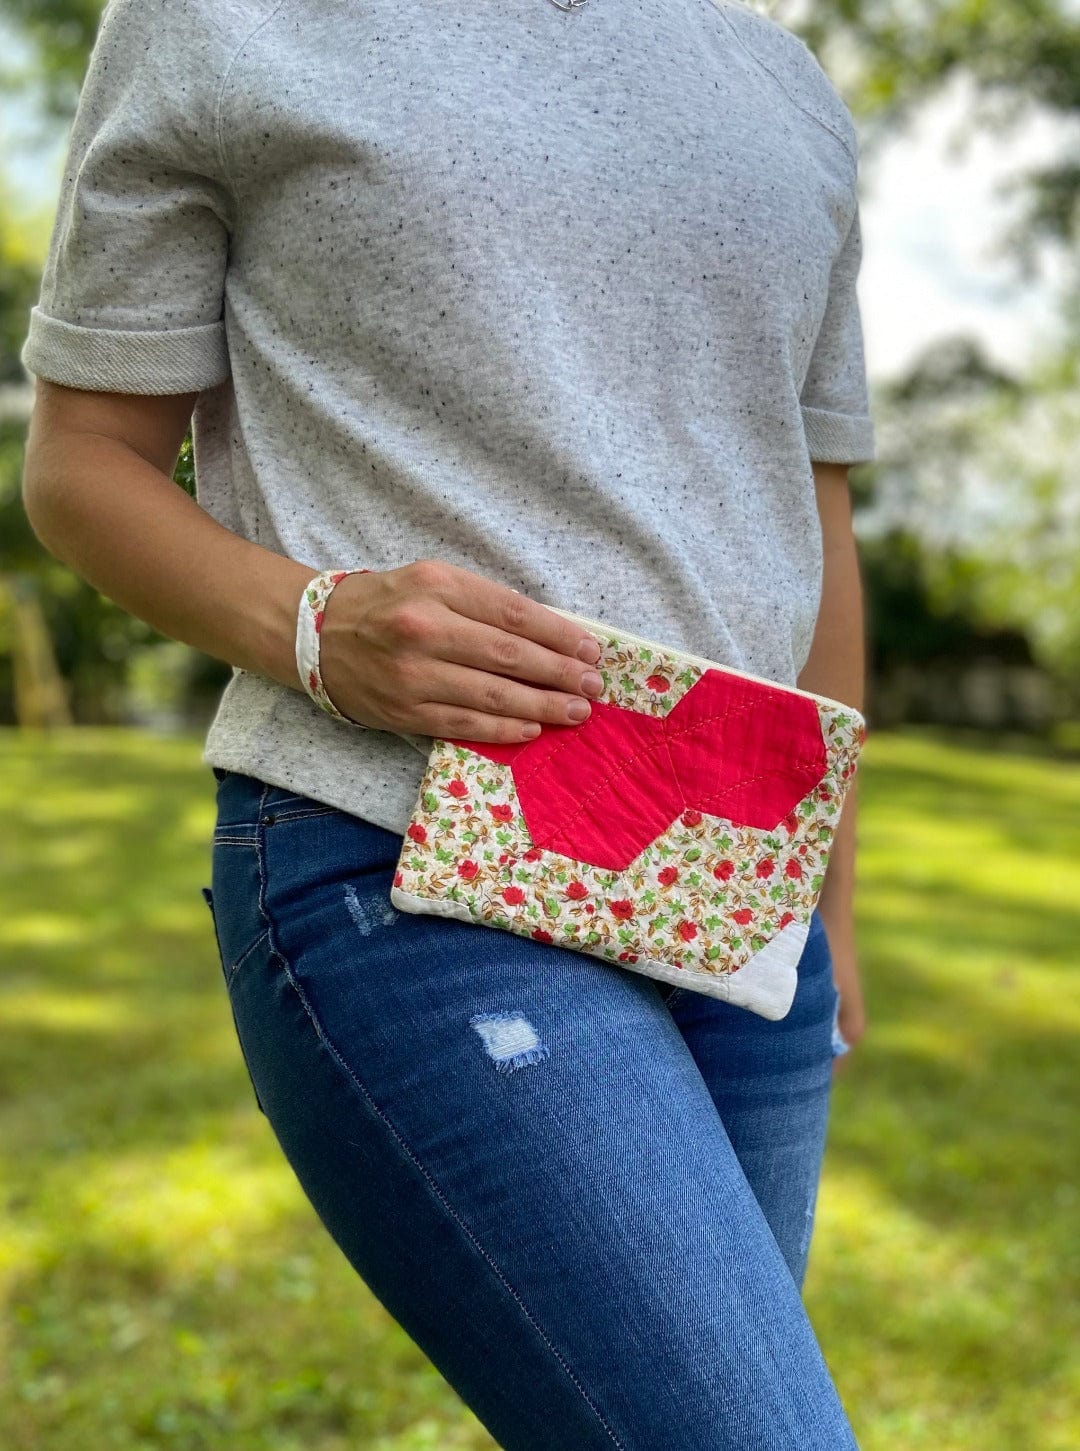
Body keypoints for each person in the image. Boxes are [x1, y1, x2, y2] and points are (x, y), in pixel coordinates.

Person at [20, 1, 873, 1446]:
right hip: (410, 855)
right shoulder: (219, 20)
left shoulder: (780, 80)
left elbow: (815, 516)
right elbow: (79, 463)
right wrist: (311, 622)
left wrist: (827, 905)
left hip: (737, 901)